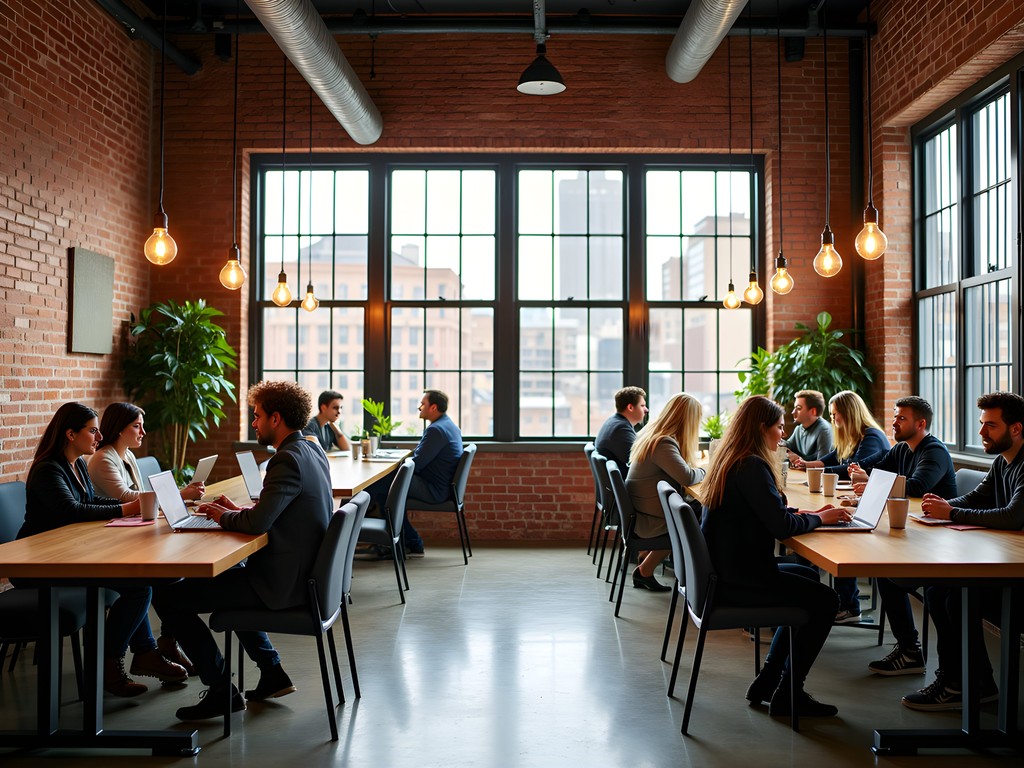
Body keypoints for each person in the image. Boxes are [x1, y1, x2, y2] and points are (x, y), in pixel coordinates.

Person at [153, 380, 333, 721]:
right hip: (304, 576)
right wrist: (234, 511)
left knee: (168, 598)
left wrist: (227, 517)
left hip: (284, 584)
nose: (254, 423)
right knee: (230, 578)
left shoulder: (287, 459)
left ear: (276, 419)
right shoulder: (310, 449)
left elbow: (259, 524)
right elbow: (275, 513)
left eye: (257, 415)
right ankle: (272, 671)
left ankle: (221, 690)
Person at [18, 402, 187, 697]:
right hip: (43, 564)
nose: (99, 436)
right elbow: (72, 511)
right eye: (93, 431)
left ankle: (143, 653)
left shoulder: (79, 464)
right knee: (138, 587)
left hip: (72, 555)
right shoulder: (48, 469)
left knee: (142, 581)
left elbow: (93, 503)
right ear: (71, 434)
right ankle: (109, 665)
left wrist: (130, 507)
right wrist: (128, 507)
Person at [700, 395, 848, 717]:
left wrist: (809, 514)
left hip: (726, 569)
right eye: (780, 427)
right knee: (826, 601)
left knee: (808, 575)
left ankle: (768, 679)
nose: (783, 434)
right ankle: (790, 692)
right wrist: (820, 519)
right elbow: (781, 527)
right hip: (739, 579)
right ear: (761, 428)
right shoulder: (751, 465)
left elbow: (764, 513)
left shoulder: (733, 458)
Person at [899, 392, 1024, 710]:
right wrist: (939, 508)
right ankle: (963, 680)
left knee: (955, 594)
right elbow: (974, 499)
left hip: (1019, 578)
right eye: (982, 425)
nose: (981, 433)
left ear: (1016, 429)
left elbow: (1013, 515)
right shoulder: (1001, 462)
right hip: (1008, 565)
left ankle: (969, 683)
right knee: (938, 588)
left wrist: (950, 514)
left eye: (990, 426)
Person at [88, 401, 204, 676]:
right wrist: (179, 495)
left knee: (172, 575)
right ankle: (150, 650)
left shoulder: (126, 455)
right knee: (156, 580)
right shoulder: (103, 458)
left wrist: (176, 497)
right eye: (136, 426)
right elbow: (129, 498)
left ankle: (158, 646)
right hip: (107, 543)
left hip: (127, 535)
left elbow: (141, 496)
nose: (143, 432)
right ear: (118, 430)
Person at [847, 396, 958, 676]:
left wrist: (873, 482)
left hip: (941, 542)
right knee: (885, 571)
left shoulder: (935, 451)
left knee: (890, 572)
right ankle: (909, 649)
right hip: (913, 531)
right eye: (895, 417)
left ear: (921, 424)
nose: (894, 423)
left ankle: (915, 653)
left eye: (901, 418)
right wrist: (866, 480)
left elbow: (919, 486)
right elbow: (878, 471)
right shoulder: (901, 449)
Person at [790, 390, 889, 622]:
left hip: (873, 509)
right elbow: (831, 459)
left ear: (849, 414)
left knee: (839, 533)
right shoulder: (850, 436)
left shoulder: (871, 436)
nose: (832, 419)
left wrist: (816, 471)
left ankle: (849, 605)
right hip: (857, 501)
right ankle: (817, 599)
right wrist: (808, 466)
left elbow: (854, 467)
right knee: (821, 524)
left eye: (835, 415)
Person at [624, 392, 705, 591]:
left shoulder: (655, 438)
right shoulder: (663, 443)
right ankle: (700, 579)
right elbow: (686, 477)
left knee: (694, 511)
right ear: (686, 419)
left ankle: (646, 565)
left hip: (644, 511)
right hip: (649, 520)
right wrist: (706, 470)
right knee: (701, 516)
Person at [401, 389, 464, 556]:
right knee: (388, 487)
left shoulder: (436, 430)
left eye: (423, 404)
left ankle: (409, 542)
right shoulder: (448, 425)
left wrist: (404, 462)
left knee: (383, 486)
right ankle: (405, 541)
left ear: (433, 407)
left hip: (434, 490)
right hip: (441, 486)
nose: (419, 407)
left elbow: (418, 464)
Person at [595, 386, 648, 471]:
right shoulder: (621, 428)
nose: (646, 410)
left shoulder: (613, 421)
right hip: (627, 482)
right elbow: (640, 460)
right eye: (642, 406)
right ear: (630, 407)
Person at [783, 390, 833, 463]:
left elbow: (822, 464)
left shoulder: (824, 431)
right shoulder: (799, 429)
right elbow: (788, 446)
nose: (793, 412)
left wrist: (799, 459)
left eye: (799, 408)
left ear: (813, 411)